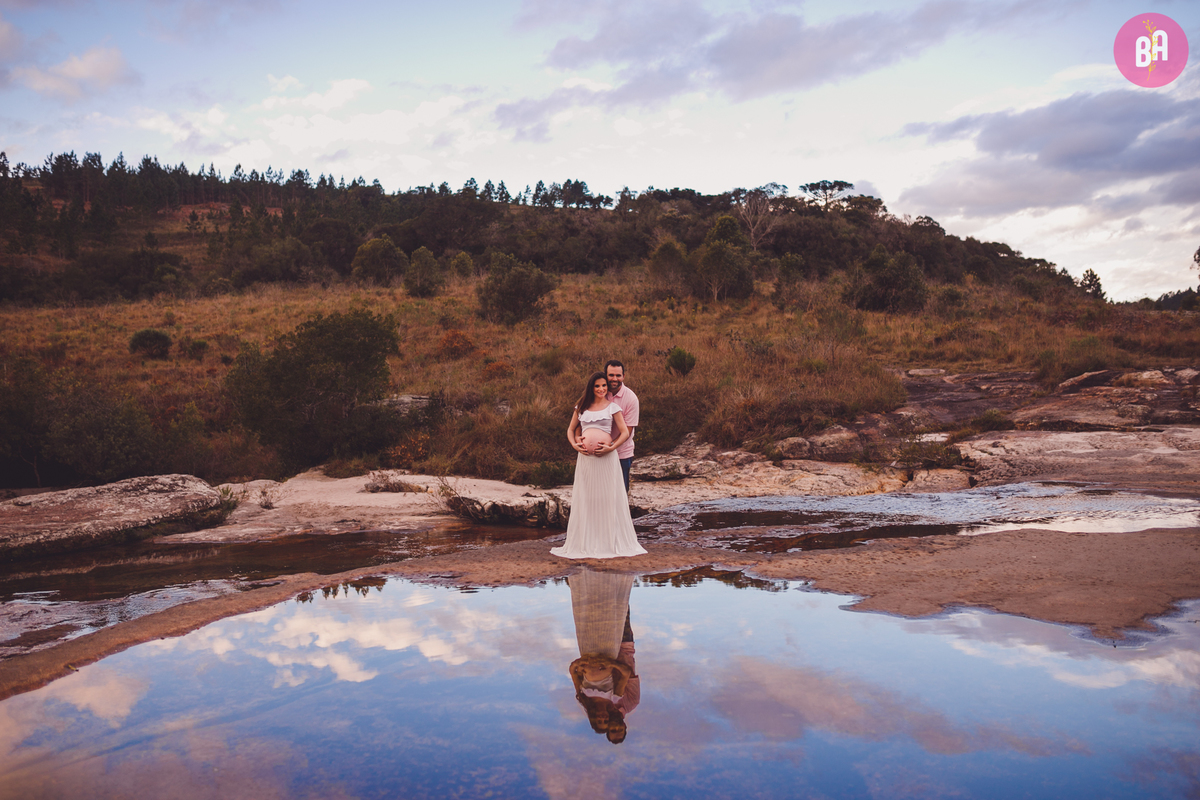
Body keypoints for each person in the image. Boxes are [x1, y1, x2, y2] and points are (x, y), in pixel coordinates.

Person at [551, 372, 647, 560]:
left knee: (607, 496)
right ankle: (587, 540)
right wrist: (574, 444)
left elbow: (625, 433)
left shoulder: (613, 407)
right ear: (591, 388)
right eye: (597, 386)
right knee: (588, 497)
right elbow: (571, 429)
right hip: (586, 460)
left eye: (604, 385)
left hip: (607, 459)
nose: (602, 389)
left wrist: (611, 447)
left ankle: (608, 540)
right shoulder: (582, 407)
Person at [566, 569, 641, 744]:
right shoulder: (630, 702)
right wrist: (609, 663)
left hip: (597, 645)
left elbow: (578, 677)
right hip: (622, 647)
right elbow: (628, 674)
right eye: (619, 729)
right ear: (624, 726)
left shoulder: (587, 702)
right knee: (619, 605)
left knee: (594, 609)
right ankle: (617, 571)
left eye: (611, 729)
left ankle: (592, 574)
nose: (615, 726)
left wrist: (582, 663)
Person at [604, 360, 638, 493]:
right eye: (611, 375)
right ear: (605, 375)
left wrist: (610, 446)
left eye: (618, 375)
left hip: (621, 454)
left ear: (623, 376)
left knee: (621, 493)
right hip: (599, 454)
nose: (614, 379)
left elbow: (628, 430)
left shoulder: (631, 399)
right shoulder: (599, 393)